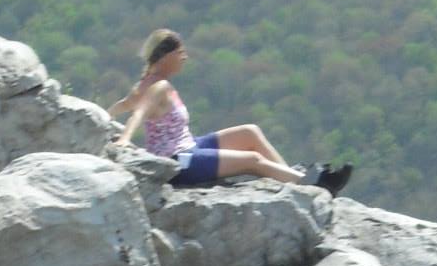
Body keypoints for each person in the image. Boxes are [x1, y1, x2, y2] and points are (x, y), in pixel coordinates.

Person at [109, 32, 353, 195]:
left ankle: (289, 176)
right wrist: (125, 138)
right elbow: (138, 111)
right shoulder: (158, 87)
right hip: (177, 162)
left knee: (250, 132)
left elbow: (126, 104)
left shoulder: (147, 83)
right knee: (252, 161)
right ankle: (312, 188)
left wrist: (105, 116)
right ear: (167, 56)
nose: (185, 58)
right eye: (180, 54)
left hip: (188, 146)